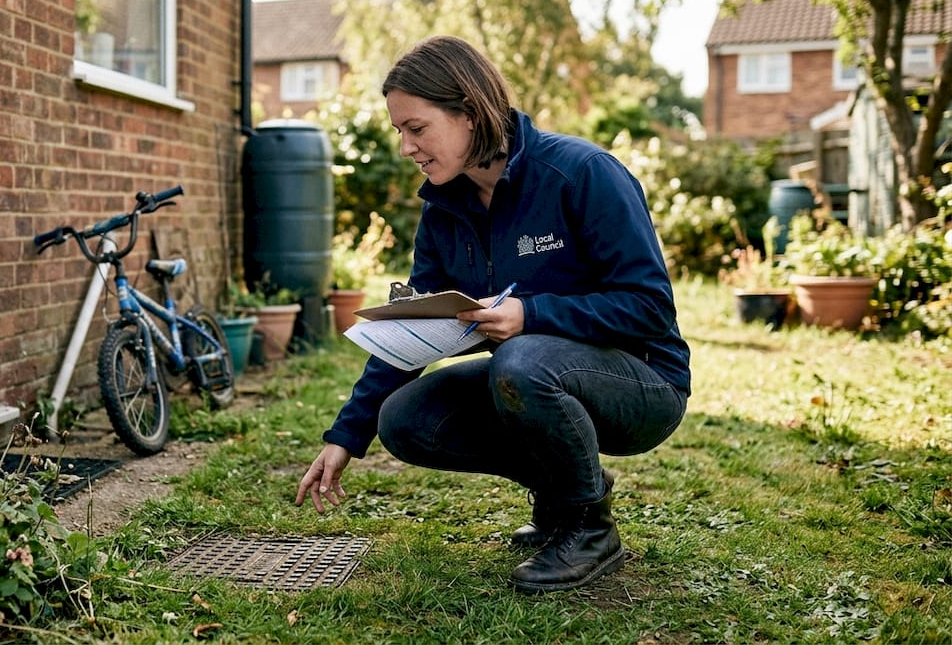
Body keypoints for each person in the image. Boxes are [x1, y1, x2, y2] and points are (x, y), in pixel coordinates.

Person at [295, 36, 691, 594]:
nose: (406, 146)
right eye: (399, 131)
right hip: (534, 376)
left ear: (469, 111)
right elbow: (410, 331)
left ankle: (589, 529)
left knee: (523, 361)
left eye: (417, 127)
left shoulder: (582, 173)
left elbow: (650, 307)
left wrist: (530, 314)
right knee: (406, 420)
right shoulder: (443, 211)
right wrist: (346, 435)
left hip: (643, 384)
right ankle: (570, 488)